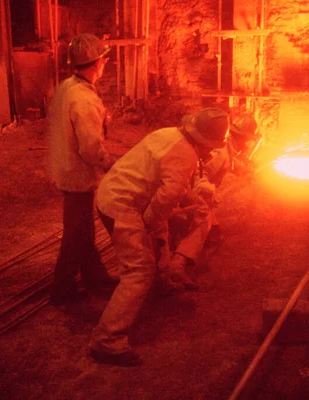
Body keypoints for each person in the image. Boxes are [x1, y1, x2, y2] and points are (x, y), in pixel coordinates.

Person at [90, 107, 230, 366]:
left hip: (119, 193)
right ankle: (107, 339)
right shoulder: (186, 155)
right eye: (210, 147)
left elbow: (174, 184)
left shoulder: (169, 135)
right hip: (122, 204)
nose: (210, 152)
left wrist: (196, 199)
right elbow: (167, 197)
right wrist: (150, 222)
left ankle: (163, 282)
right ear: (204, 142)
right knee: (139, 269)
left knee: (158, 227)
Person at [48, 33, 115, 305]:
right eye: (104, 61)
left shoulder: (67, 87)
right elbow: (90, 148)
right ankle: (61, 290)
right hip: (77, 174)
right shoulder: (84, 99)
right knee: (76, 234)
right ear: (98, 63)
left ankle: (95, 277)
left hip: (64, 167)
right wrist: (110, 164)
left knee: (84, 230)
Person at [168, 114, 260, 282]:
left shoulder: (227, 149)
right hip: (185, 190)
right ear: (240, 137)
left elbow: (229, 163)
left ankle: (185, 252)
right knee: (203, 219)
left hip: (189, 189)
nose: (247, 145)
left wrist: (243, 169)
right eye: (247, 140)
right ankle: (177, 263)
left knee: (215, 234)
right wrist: (207, 192)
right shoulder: (220, 152)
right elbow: (196, 176)